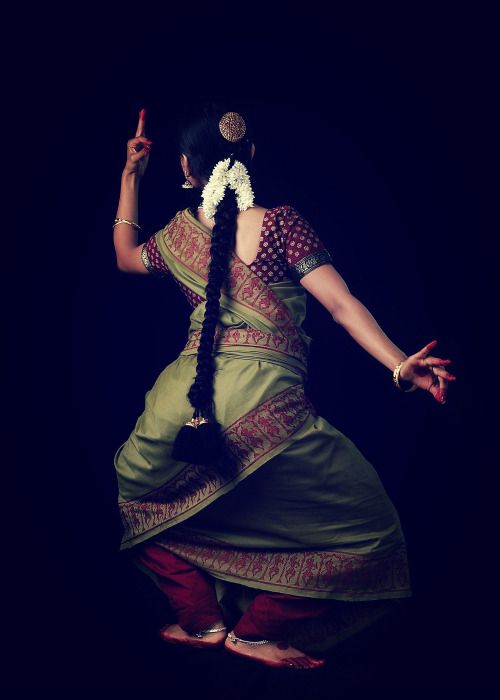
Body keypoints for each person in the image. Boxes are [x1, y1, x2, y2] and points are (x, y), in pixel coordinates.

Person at [112, 102, 456, 670]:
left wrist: (130, 176)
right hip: (268, 407)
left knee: (137, 501)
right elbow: (343, 306)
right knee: (370, 532)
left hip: (180, 409)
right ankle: (258, 629)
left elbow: (124, 259)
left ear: (186, 168)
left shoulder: (175, 235)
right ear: (250, 157)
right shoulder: (281, 225)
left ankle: (201, 621)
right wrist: (400, 366)